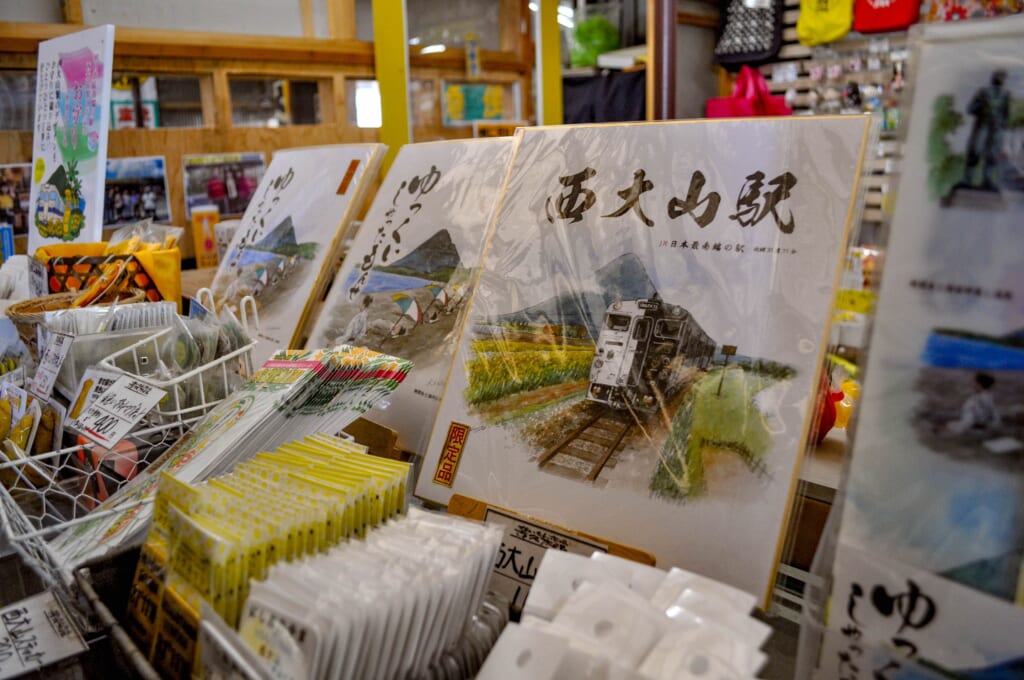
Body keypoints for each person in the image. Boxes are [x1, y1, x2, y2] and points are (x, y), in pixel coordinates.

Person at [961, 70, 1010, 192]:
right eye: (999, 76)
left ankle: (987, 181)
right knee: (975, 152)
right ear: (993, 78)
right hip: (983, 126)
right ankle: (967, 180)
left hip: (996, 129)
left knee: (992, 155)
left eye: (1003, 77)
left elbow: (1006, 114)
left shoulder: (1006, 95)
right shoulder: (982, 92)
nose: (1001, 79)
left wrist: (1003, 124)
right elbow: (970, 109)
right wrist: (981, 109)